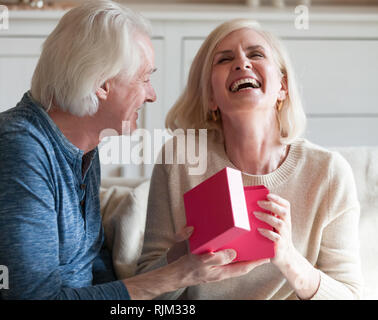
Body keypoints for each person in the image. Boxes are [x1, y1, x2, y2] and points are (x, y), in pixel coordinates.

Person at [0, 1, 269, 300]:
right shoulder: (15, 152)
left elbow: (94, 267)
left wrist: (176, 261)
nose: (151, 95)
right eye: (144, 78)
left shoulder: (83, 148)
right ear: (102, 84)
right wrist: (177, 275)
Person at [137, 19, 363, 300]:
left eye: (256, 54)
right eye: (225, 59)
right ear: (211, 98)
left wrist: (289, 258)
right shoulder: (179, 160)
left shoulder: (329, 172)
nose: (242, 63)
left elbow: (352, 295)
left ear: (282, 87)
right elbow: (144, 292)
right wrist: (184, 256)